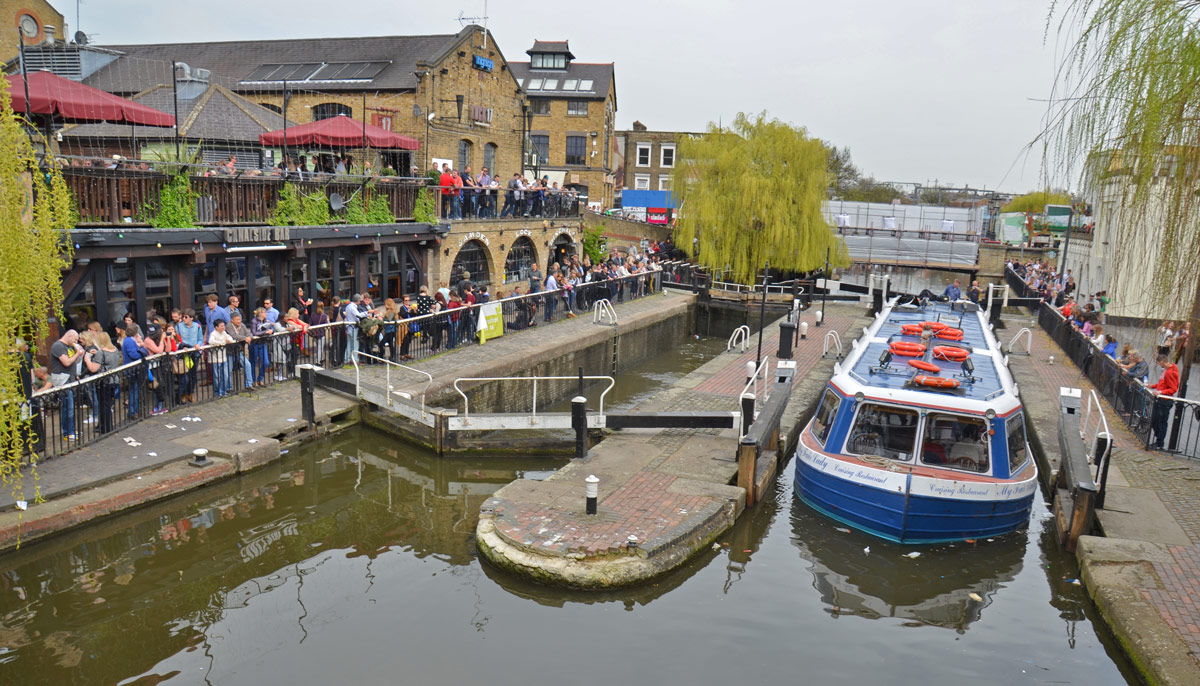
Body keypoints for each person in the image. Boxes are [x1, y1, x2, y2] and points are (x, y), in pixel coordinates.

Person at [1148, 354, 1180, 450]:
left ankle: (1159, 442)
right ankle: (1159, 440)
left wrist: (1161, 392)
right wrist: (1153, 386)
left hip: (1165, 400)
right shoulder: (1166, 370)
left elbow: (1173, 388)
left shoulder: (1170, 373)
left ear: (1162, 361)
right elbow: (1162, 383)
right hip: (1161, 398)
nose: (1158, 364)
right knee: (1155, 420)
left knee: (1161, 422)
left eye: (1159, 362)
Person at [120, 324, 149, 418]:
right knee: (134, 391)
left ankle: (134, 411)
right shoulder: (129, 341)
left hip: (134, 369)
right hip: (132, 370)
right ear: (136, 333)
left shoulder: (131, 340)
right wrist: (143, 350)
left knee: (135, 390)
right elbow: (134, 355)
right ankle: (132, 412)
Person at [208, 320, 235, 398]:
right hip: (215, 359)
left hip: (223, 358)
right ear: (216, 327)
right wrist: (223, 342)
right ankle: (217, 392)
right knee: (217, 376)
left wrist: (228, 341)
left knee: (225, 375)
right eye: (221, 326)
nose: (223, 327)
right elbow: (211, 341)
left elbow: (230, 339)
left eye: (224, 325)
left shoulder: (224, 333)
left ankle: (224, 390)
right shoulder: (213, 334)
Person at [228, 312, 254, 392]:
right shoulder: (229, 326)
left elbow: (249, 333)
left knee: (247, 365)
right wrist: (245, 338)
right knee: (229, 368)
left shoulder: (242, 325)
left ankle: (249, 384)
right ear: (232, 320)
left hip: (239, 350)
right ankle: (229, 387)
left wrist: (249, 337)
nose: (239, 321)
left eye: (240, 319)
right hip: (230, 351)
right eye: (237, 319)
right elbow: (233, 336)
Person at [250, 307, 273, 386]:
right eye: (264, 312)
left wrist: (270, 330)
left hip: (262, 343)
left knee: (266, 362)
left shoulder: (266, 321)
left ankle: (260, 378)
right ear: (260, 314)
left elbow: (270, 329)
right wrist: (265, 332)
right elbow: (254, 332)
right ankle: (253, 380)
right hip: (255, 344)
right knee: (253, 362)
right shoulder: (254, 321)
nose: (265, 314)